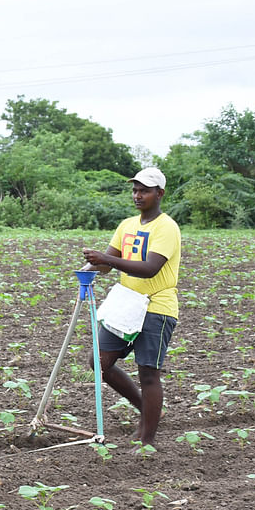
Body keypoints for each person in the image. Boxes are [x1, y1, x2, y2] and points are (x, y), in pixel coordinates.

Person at [81, 167, 181, 445]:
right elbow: (106, 264)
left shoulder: (166, 227)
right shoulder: (127, 225)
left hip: (156, 305)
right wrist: (88, 267)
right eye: (135, 190)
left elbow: (150, 268)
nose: (138, 196)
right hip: (127, 303)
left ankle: (146, 440)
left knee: (148, 373)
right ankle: (147, 410)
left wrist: (106, 260)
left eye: (144, 191)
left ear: (159, 193)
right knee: (99, 362)